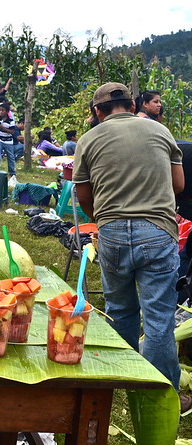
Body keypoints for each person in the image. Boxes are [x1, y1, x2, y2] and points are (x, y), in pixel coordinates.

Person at [73, 82, 189, 411]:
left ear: (97, 112)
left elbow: (84, 197)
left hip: (111, 235)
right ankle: (158, 393)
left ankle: (118, 385)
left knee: (121, 312)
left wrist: (106, 219)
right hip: (157, 231)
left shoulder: (88, 140)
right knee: (158, 320)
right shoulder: (158, 131)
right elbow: (178, 185)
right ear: (132, 104)